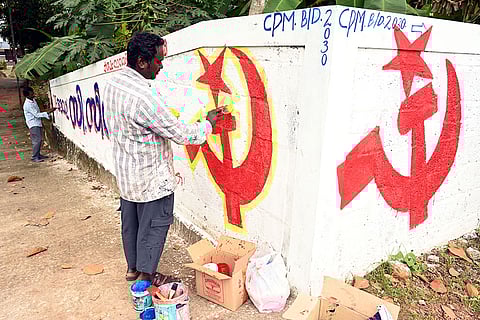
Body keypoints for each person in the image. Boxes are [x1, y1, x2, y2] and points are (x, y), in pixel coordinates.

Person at [104, 32, 223, 285]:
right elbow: (180, 133)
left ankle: (133, 269)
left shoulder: (114, 84)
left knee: (132, 226)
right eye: (158, 60)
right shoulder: (144, 98)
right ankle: (146, 276)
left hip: (127, 177)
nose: (161, 65)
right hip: (151, 178)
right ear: (142, 62)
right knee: (154, 227)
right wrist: (208, 124)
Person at [22, 87, 55, 162]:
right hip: (33, 124)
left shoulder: (33, 100)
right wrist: (48, 112)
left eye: (32, 92)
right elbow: (36, 114)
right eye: (31, 94)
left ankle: (38, 154)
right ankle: (34, 156)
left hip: (37, 123)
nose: (33, 94)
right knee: (37, 140)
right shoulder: (28, 104)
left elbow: (38, 111)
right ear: (27, 95)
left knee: (39, 139)